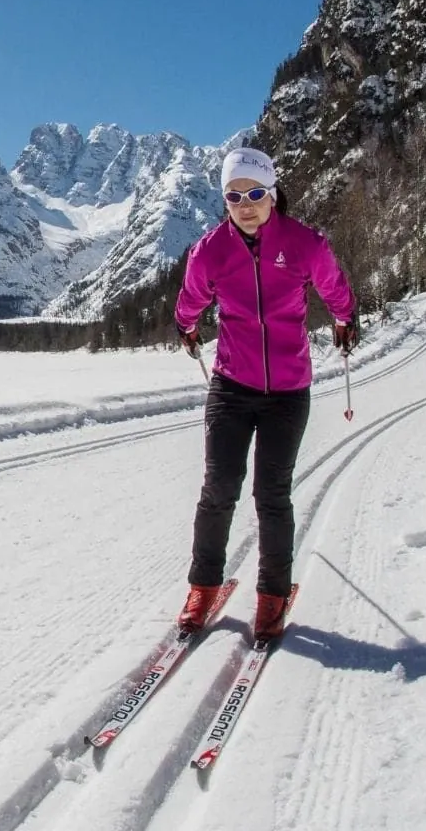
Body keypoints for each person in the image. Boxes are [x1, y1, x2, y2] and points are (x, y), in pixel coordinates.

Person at [173, 147, 358, 641]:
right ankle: (203, 586)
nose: (246, 204)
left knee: (271, 496)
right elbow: (190, 297)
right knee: (218, 491)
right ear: (225, 200)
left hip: (288, 392)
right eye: (234, 196)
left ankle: (272, 597)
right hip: (232, 385)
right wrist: (186, 324)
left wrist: (345, 317)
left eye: (255, 193)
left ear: (272, 192)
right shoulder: (210, 251)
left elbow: (333, 286)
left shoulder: (305, 244)